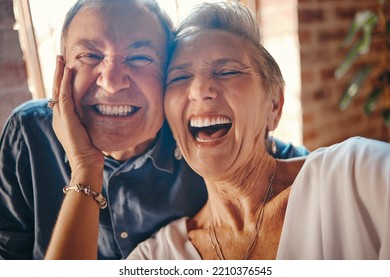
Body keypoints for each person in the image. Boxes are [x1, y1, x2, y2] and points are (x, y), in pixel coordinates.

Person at [45, 1, 389, 260]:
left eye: (227, 72)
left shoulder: (357, 176)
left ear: (274, 105)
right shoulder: (156, 256)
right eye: (179, 78)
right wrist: (87, 168)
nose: (200, 90)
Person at [0, 0, 308, 260]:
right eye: (91, 56)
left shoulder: (200, 139)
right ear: (61, 71)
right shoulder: (27, 134)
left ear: (165, 78)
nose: (112, 80)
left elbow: (274, 163)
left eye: (140, 58)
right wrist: (85, 170)